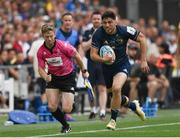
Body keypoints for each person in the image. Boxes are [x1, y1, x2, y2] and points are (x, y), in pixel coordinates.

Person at [90, 10, 149, 130]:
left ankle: (113, 121)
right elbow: (92, 55)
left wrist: (143, 60)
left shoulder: (124, 30)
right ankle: (133, 105)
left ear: (115, 21)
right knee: (115, 96)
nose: (107, 25)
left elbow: (142, 38)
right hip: (106, 68)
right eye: (104, 22)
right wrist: (103, 59)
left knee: (117, 89)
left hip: (122, 65)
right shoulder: (98, 34)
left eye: (110, 22)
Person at [37, 24, 89, 133]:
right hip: (53, 78)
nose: (50, 39)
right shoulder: (41, 51)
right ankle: (65, 125)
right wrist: (46, 77)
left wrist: (84, 70)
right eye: (47, 37)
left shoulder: (63, 46)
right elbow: (40, 69)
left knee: (67, 109)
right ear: (43, 36)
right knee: (51, 107)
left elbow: (77, 56)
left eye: (51, 36)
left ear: (54, 34)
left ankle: (69, 98)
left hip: (68, 77)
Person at [82, 11, 107, 120]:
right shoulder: (87, 32)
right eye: (94, 19)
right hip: (90, 63)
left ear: (101, 20)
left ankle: (102, 111)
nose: (96, 20)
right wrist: (93, 38)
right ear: (91, 20)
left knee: (102, 88)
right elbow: (83, 47)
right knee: (90, 88)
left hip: (102, 63)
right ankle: (93, 110)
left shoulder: (106, 32)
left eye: (98, 19)